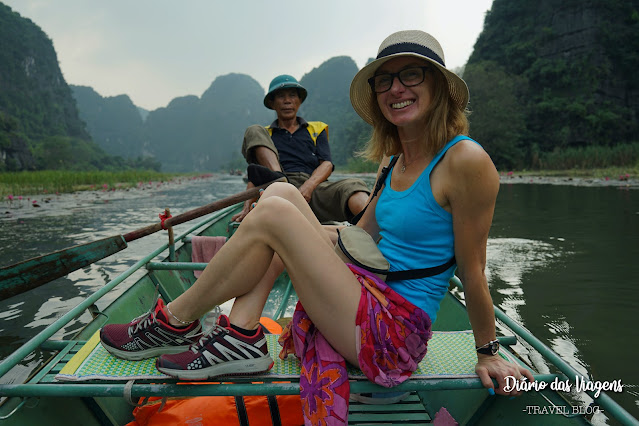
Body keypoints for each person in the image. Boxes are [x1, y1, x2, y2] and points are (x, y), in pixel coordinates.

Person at [100, 30, 534, 424]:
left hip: (393, 335)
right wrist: (298, 234)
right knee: (280, 197)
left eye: (411, 75)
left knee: (275, 211)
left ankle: (175, 322)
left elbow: (473, 271)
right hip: (365, 295)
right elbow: (360, 238)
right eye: (384, 80)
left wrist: (488, 352)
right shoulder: (393, 162)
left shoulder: (466, 161)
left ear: (438, 86)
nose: (396, 88)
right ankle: (240, 334)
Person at [231, 74, 370, 223]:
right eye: (281, 97)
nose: (287, 101)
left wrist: (308, 188)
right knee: (253, 129)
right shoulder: (265, 134)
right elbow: (256, 175)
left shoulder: (316, 128)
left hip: (312, 187)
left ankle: (375, 233)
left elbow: (326, 164)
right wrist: (246, 207)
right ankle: (280, 181)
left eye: (292, 96)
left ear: (299, 101)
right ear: (272, 103)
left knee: (354, 187)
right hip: (274, 187)